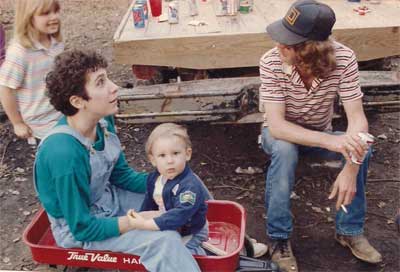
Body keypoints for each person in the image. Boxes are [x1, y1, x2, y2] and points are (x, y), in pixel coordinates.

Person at [34, 50, 201, 272]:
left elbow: (120, 175)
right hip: (81, 229)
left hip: (107, 199)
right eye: (101, 82)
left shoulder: (102, 121)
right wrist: (135, 221)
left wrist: (168, 181)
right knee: (165, 240)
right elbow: (82, 228)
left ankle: (204, 246)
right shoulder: (63, 153)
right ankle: (182, 256)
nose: (114, 87)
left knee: (186, 185)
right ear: (77, 101)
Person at [259, 0, 382, 271]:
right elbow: (277, 126)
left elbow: (357, 118)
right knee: (284, 149)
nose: (278, 45)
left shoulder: (344, 59)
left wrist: (350, 167)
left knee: (365, 148)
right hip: (281, 136)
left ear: (309, 51)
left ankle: (348, 230)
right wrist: (334, 142)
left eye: (288, 43)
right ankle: (279, 237)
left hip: (319, 131)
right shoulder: (271, 61)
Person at [127, 123, 209, 255]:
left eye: (175, 153)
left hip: (190, 230)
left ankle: (200, 256)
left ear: (187, 154)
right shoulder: (155, 178)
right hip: (169, 223)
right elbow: (150, 202)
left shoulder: (189, 186)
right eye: (162, 155)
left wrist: (147, 225)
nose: (170, 161)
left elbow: (181, 214)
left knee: (173, 253)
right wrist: (141, 217)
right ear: (153, 159)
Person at [0, 0, 63, 141]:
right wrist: (17, 123)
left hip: (61, 110)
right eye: (46, 13)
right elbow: (6, 89)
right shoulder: (20, 53)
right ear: (28, 17)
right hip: (41, 120)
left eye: (56, 11)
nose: (54, 17)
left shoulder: (56, 42)